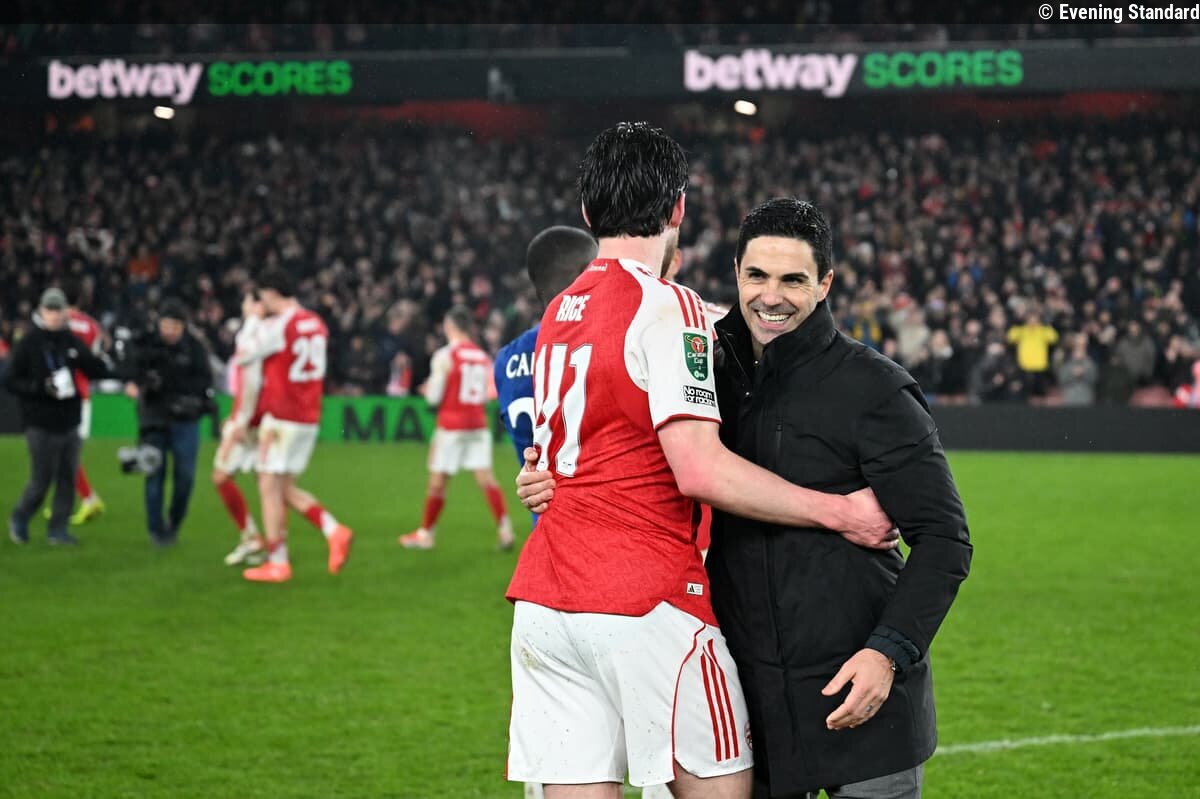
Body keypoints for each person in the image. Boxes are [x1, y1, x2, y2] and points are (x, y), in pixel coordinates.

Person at [505, 123, 895, 799]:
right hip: (645, 598)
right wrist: (840, 512)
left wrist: (539, 478)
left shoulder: (557, 316)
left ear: (588, 212)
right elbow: (699, 470)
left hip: (545, 602)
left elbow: (570, 449)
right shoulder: (669, 306)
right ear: (678, 208)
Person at [706, 199, 971, 798]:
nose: (771, 297)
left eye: (793, 280)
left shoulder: (874, 388)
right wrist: (550, 480)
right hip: (752, 710)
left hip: (865, 702)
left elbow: (944, 539)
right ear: (736, 273)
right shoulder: (708, 378)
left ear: (825, 284)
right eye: (757, 276)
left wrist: (887, 653)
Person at [216, 291, 355, 568]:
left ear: (267, 297)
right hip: (307, 413)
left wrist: (241, 420)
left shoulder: (274, 326)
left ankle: (280, 554)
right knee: (281, 489)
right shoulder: (314, 322)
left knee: (266, 487)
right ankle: (309, 539)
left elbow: (246, 360)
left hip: (278, 417)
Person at [400, 305, 513, 551]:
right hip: (477, 424)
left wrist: (428, 390)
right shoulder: (481, 356)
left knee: (438, 481)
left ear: (449, 326)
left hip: (451, 426)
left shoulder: (445, 355)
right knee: (486, 478)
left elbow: (434, 397)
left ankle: (425, 535)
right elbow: (488, 392)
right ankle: (505, 530)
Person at [6, 288, 108, 546]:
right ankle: (20, 517)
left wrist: (103, 359)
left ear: (65, 312)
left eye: (57, 309)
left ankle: (58, 529)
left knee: (67, 477)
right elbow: (9, 379)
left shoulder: (70, 340)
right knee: (41, 479)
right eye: (49, 310)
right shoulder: (29, 341)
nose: (53, 315)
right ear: (41, 311)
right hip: (39, 420)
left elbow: (93, 368)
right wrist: (38, 388)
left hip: (69, 419)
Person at [495, 226, 598, 470]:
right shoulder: (600, 345)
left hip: (539, 492)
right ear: (586, 273)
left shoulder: (506, 360)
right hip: (595, 492)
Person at [123, 299, 213, 546]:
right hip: (153, 420)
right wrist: (136, 383)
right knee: (154, 475)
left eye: (175, 326)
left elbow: (205, 380)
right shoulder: (145, 345)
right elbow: (130, 370)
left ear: (183, 326)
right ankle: (156, 531)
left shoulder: (194, 348)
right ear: (159, 324)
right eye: (166, 325)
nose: (170, 331)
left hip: (185, 420)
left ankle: (174, 522)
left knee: (185, 478)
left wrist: (183, 393)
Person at [63, 278, 107, 525]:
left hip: (63, 395)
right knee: (67, 452)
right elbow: (98, 357)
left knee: (65, 453)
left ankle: (89, 499)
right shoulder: (91, 325)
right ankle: (66, 504)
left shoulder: (58, 322)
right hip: (83, 394)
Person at [1006, 309, 1058, 397]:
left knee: (1040, 393)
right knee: (1025, 393)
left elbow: (1054, 338)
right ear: (1026, 320)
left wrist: (1046, 325)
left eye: (1035, 319)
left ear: (1039, 320)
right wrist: (1017, 323)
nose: (1032, 321)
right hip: (1025, 365)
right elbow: (1010, 337)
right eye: (1030, 319)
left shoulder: (1043, 330)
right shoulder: (1022, 330)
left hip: (1040, 365)